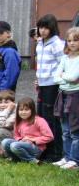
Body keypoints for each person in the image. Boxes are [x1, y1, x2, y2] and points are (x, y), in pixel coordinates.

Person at [35, 14, 65, 162]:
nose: (43, 31)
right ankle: (45, 149)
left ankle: (56, 152)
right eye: (41, 27)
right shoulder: (40, 43)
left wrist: (57, 81)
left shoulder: (57, 44)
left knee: (51, 119)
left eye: (46, 28)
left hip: (52, 86)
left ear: (52, 28)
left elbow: (62, 64)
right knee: (41, 118)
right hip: (42, 84)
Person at [52, 26, 79, 170]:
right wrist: (66, 79)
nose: (72, 43)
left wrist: (65, 77)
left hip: (76, 97)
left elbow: (75, 77)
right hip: (63, 95)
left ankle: (75, 160)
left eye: (76, 40)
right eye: (69, 40)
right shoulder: (64, 58)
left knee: (75, 131)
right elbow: (56, 77)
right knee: (65, 131)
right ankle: (67, 157)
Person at [1, 97, 54, 163]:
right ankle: (15, 159)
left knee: (14, 145)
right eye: (21, 110)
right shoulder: (18, 121)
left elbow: (49, 137)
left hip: (36, 148)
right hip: (22, 145)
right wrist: (20, 140)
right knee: (5, 142)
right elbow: (16, 136)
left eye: (26, 110)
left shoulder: (39, 120)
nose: (23, 112)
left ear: (32, 110)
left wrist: (33, 140)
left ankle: (33, 161)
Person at [0, 21, 21, 93]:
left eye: (1, 33)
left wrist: (2, 91)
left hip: (2, 94)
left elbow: (10, 74)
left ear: (8, 34)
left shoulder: (10, 52)